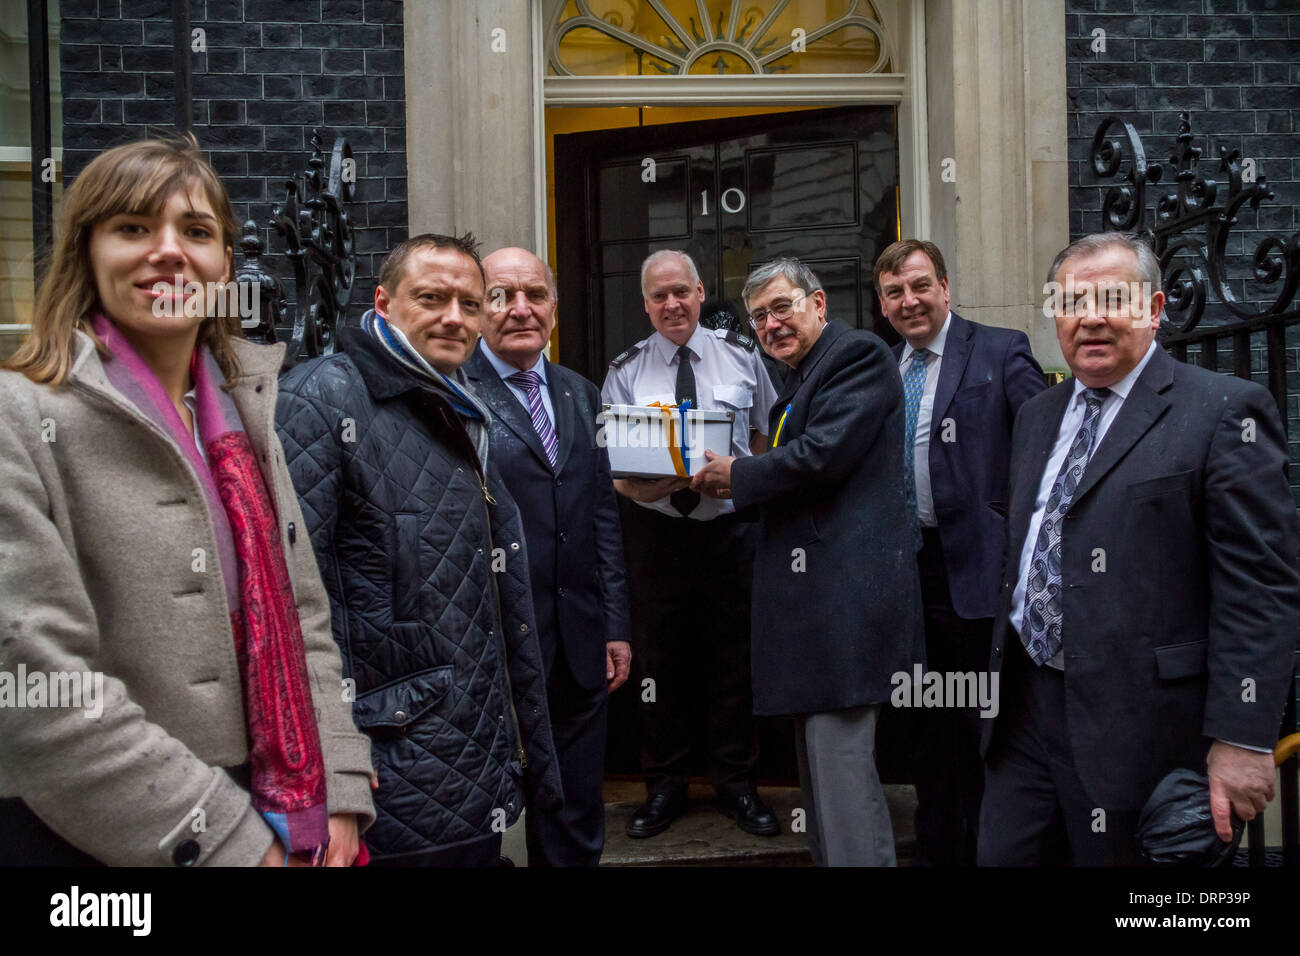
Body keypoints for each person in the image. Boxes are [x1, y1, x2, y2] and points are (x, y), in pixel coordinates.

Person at [0, 135, 374, 866]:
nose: (168, 251)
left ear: (225, 263)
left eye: (196, 233)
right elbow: (32, 680)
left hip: (277, 798)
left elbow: (304, 616)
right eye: (133, 228)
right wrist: (228, 840)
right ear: (87, 253)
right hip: (96, 833)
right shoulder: (19, 415)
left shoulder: (245, 410)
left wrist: (341, 782)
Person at [979, 232, 1300, 866]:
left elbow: (1260, 587)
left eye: (1112, 298)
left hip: (1143, 730)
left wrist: (1242, 736)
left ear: (1154, 310)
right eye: (1073, 301)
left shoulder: (1223, 411)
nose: (1091, 317)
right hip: (1024, 714)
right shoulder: (1038, 415)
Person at [275, 233, 562, 866]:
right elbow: (290, 599)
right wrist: (332, 770)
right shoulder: (321, 397)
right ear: (383, 302)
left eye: (469, 302)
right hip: (387, 769)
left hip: (467, 756)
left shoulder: (461, 404)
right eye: (432, 299)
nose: (454, 318)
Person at [693, 257, 924, 866]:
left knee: (843, 787)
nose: (770, 324)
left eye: (782, 307)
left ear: (818, 304)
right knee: (821, 785)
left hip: (844, 614)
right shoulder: (801, 379)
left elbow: (821, 457)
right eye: (759, 316)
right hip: (814, 621)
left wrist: (736, 474)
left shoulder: (857, 357)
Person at [875, 239, 1045, 866]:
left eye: (920, 286)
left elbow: (1041, 448)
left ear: (945, 288)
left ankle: (994, 850)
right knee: (927, 727)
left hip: (980, 573)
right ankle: (938, 847)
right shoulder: (884, 369)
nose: (909, 300)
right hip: (907, 575)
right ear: (883, 304)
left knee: (989, 724)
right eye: (895, 292)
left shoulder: (1001, 350)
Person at [601, 249, 780, 838]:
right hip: (656, 535)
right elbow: (616, 466)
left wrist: (738, 474)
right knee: (659, 665)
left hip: (730, 531)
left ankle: (737, 786)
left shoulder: (742, 357)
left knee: (735, 662)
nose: (672, 305)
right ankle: (664, 787)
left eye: (681, 292)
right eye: (659, 296)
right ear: (646, 303)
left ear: (701, 292)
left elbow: (763, 433)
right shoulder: (626, 369)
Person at [464, 247, 631, 866]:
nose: (520, 309)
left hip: (580, 642)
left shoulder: (581, 393)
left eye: (534, 294)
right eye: (502, 295)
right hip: (495, 645)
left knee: (576, 810)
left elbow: (601, 517)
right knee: (485, 809)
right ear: (480, 309)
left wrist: (615, 625)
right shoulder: (456, 392)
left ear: (554, 310)